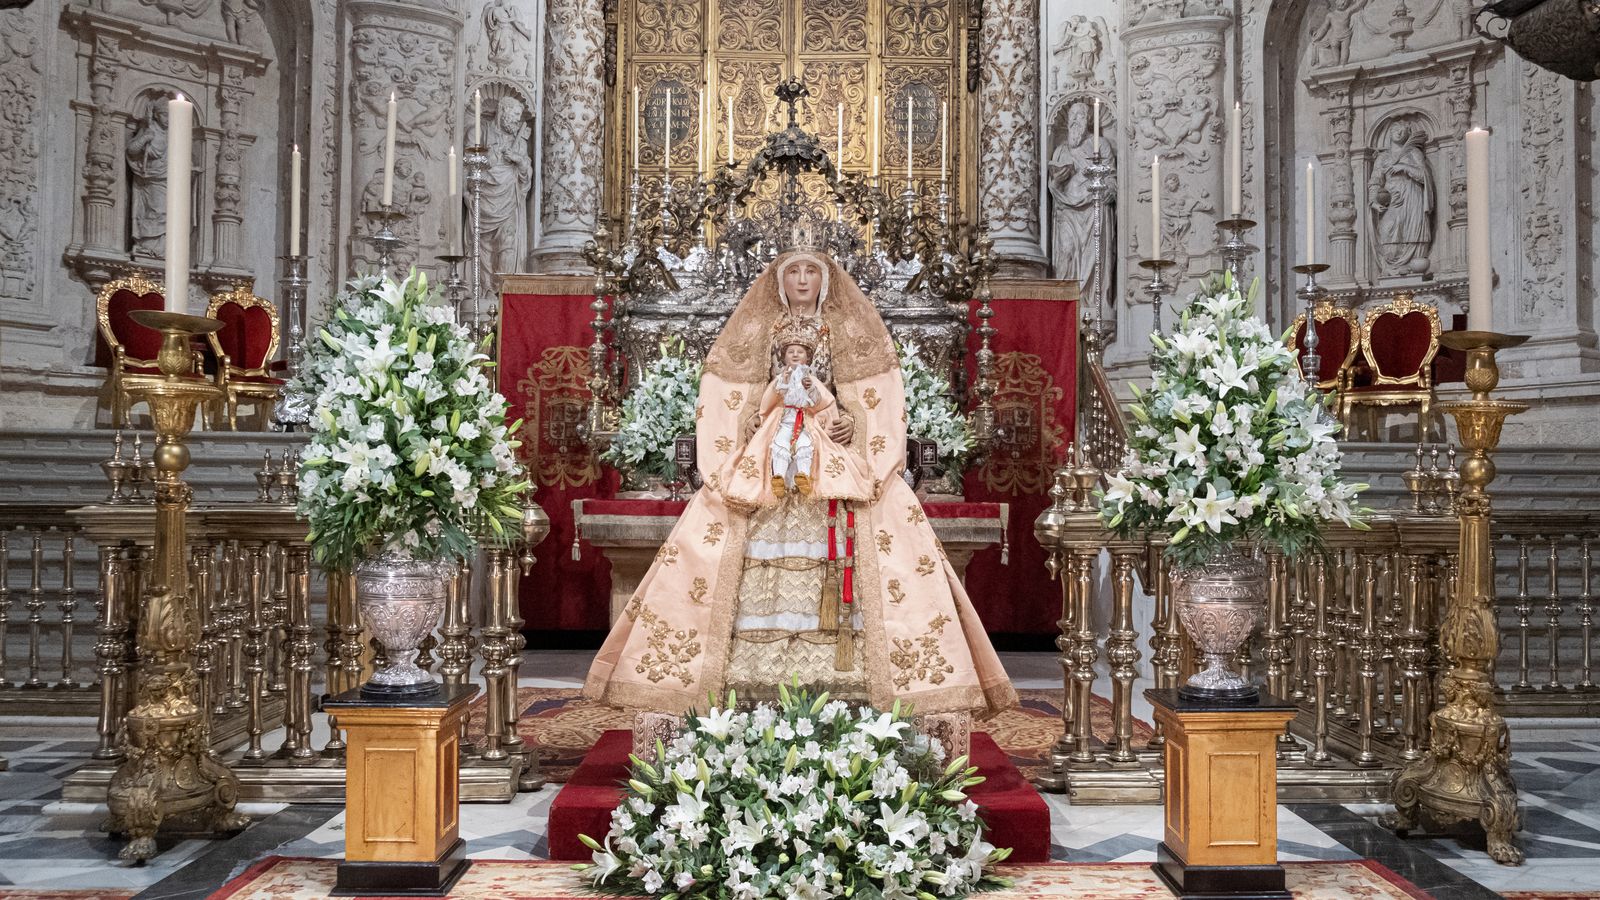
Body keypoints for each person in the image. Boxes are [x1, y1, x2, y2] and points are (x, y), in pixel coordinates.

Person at [585, 249, 1017, 715]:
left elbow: (873, 394)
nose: (803, 279)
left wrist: (854, 425)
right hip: (768, 459)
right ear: (779, 280)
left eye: (811, 271)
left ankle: (853, 682)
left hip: (832, 456)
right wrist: (749, 423)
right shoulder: (757, 329)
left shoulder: (849, 330)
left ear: (826, 280)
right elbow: (735, 392)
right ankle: (735, 682)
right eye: (793, 271)